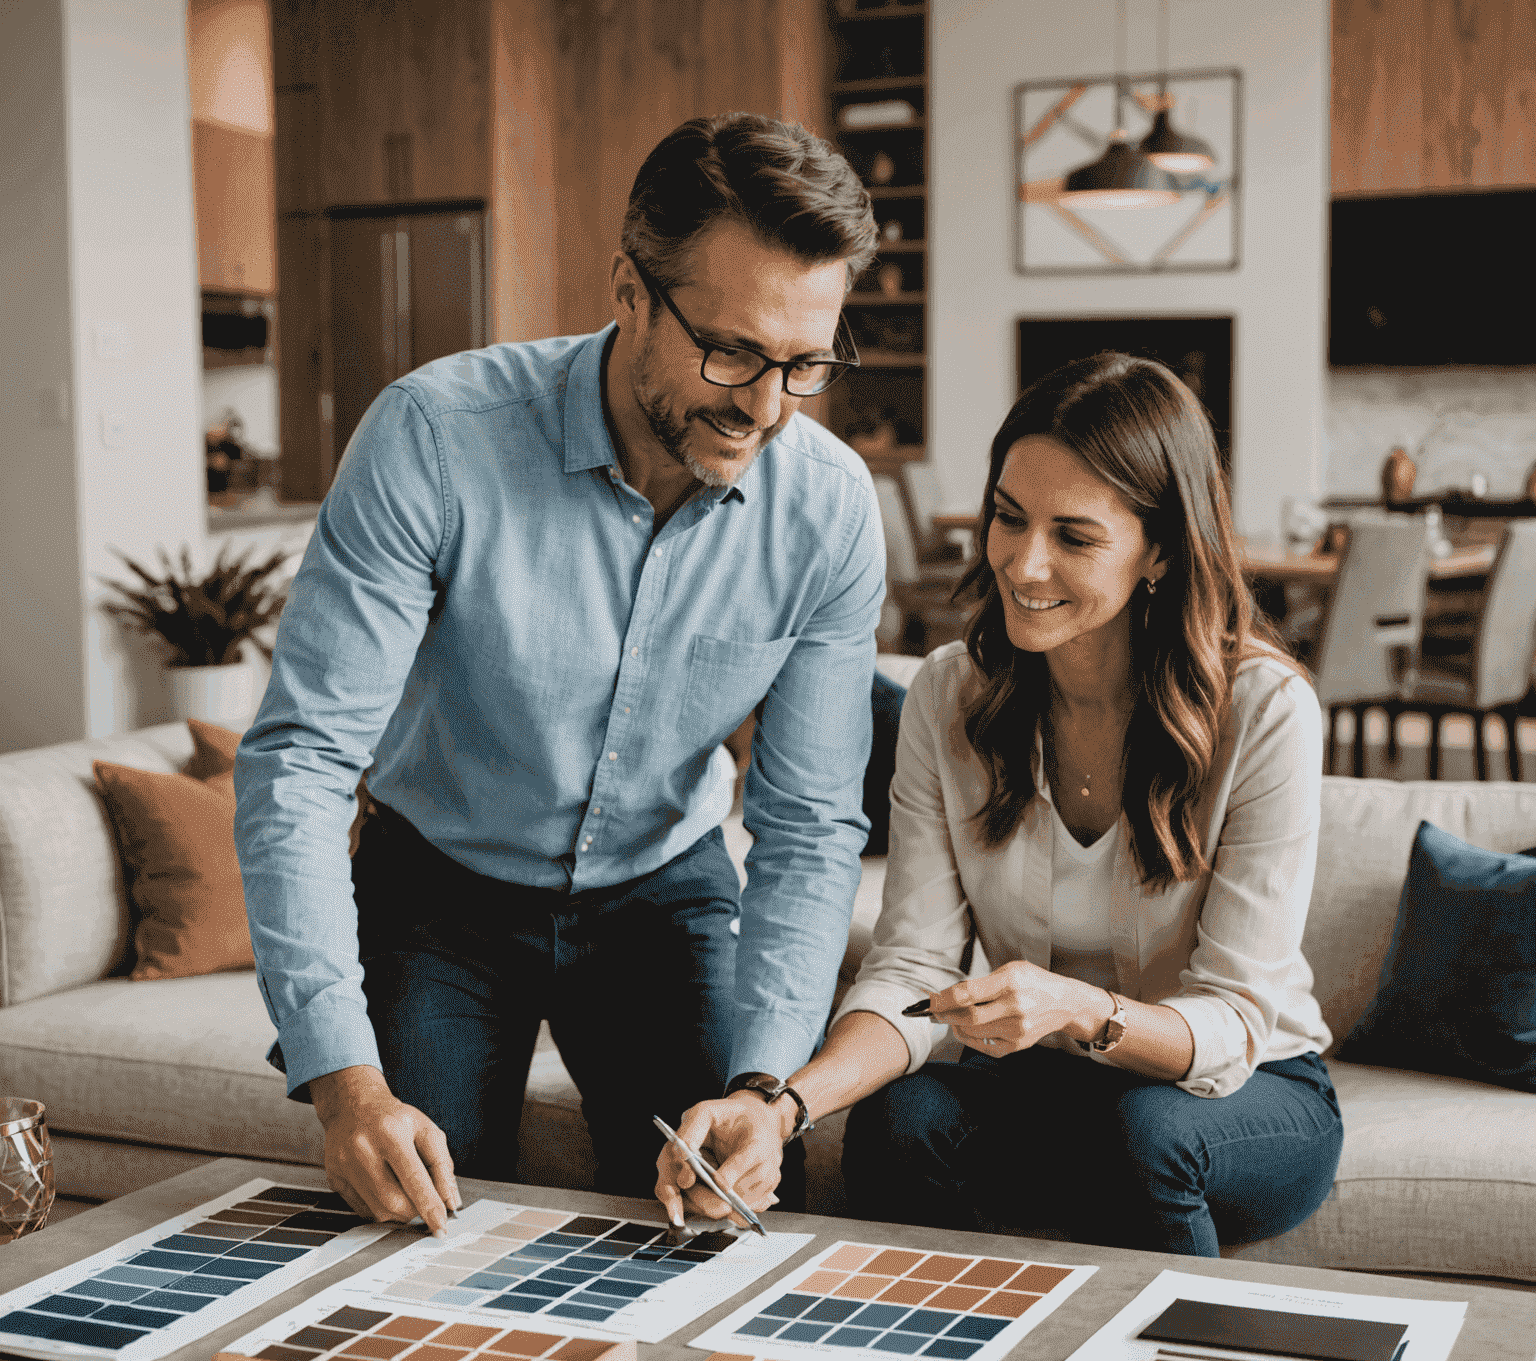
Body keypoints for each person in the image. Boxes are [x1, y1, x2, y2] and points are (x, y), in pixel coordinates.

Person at [233, 113, 887, 1237]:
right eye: (729, 351)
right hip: (438, 885)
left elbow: (812, 821)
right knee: (414, 1226)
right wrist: (346, 1083)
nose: (767, 407)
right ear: (630, 287)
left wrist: (767, 1087)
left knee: (722, 1218)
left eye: (805, 363)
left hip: (663, 886)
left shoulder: (827, 509)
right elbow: (300, 762)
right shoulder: (436, 438)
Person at [659, 352, 1343, 1257]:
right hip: (1053, 1087)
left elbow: (1235, 1020)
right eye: (1008, 519)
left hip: (1242, 1091)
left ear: (1162, 551)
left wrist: (1077, 1008)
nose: (1024, 564)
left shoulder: (1264, 711)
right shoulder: (951, 695)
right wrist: (781, 1107)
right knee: (900, 1119)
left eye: (1075, 536)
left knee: (1147, 1134)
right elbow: (909, 966)